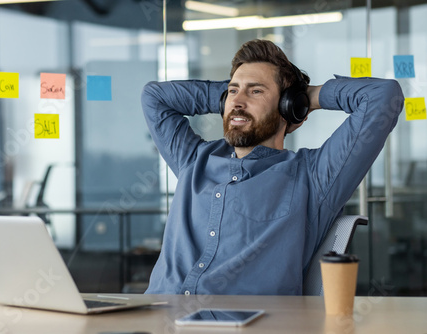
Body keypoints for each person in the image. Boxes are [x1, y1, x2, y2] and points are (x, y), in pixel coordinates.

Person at [140, 39, 404, 295]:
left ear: (288, 107)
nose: (238, 102)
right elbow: (155, 97)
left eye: (256, 91)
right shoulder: (194, 159)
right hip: (157, 317)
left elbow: (383, 97)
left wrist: (306, 98)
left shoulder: (313, 177)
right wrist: (227, 96)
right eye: (233, 91)